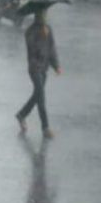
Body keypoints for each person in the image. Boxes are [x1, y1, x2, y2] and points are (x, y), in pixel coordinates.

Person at [16, 9, 61, 139]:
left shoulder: (49, 29)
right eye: (41, 15)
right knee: (41, 98)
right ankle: (45, 128)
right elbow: (33, 50)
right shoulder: (30, 31)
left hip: (44, 69)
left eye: (45, 15)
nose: (44, 17)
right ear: (37, 16)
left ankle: (21, 114)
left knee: (37, 95)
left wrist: (56, 66)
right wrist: (41, 34)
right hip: (34, 68)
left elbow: (52, 49)